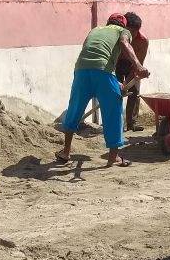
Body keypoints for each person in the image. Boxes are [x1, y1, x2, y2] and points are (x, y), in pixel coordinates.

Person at [55, 13, 149, 167]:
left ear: (108, 22)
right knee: (113, 113)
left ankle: (65, 151)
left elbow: (89, 50)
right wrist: (138, 66)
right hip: (104, 72)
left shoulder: (95, 30)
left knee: (74, 110)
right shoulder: (123, 31)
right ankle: (113, 158)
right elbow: (124, 43)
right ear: (123, 25)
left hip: (81, 71)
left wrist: (115, 83)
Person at [116, 12, 149, 132]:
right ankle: (116, 123)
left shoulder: (143, 41)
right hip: (116, 64)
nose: (132, 35)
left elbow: (138, 65)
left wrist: (128, 83)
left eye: (135, 32)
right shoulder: (116, 37)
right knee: (115, 92)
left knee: (134, 92)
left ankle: (131, 123)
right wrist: (120, 84)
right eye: (130, 31)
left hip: (132, 66)